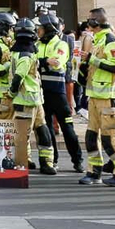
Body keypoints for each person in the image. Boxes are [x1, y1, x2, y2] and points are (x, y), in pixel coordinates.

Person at [79, 10, 115, 187]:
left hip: (108, 97)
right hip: (94, 96)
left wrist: (92, 59)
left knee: (110, 138)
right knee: (91, 137)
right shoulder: (97, 39)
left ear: (95, 22)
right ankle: (94, 172)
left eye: (89, 19)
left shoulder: (110, 40)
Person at [35, 12, 83, 174]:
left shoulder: (61, 45)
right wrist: (44, 61)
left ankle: (77, 161)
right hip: (42, 94)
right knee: (47, 129)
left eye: (40, 28)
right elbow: (32, 62)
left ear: (48, 28)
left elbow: (56, 63)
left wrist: (42, 63)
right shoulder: (38, 45)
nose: (38, 31)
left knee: (67, 128)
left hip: (58, 93)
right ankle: (52, 160)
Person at [1, 18, 45, 170]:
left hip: (25, 99)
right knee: (40, 129)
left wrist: (12, 93)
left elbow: (19, 77)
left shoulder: (22, 54)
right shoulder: (28, 52)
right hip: (34, 98)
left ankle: (22, 163)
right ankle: (45, 162)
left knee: (22, 134)